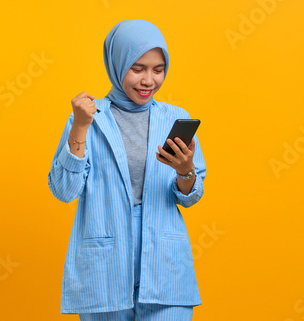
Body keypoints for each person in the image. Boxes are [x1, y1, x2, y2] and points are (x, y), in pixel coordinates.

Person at [48, 19, 206, 320]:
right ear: (116, 63)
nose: (149, 80)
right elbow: (64, 191)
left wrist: (186, 170)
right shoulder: (88, 118)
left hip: (165, 265)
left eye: (158, 69)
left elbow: (189, 196)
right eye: (137, 68)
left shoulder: (175, 117)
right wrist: (80, 127)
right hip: (105, 262)